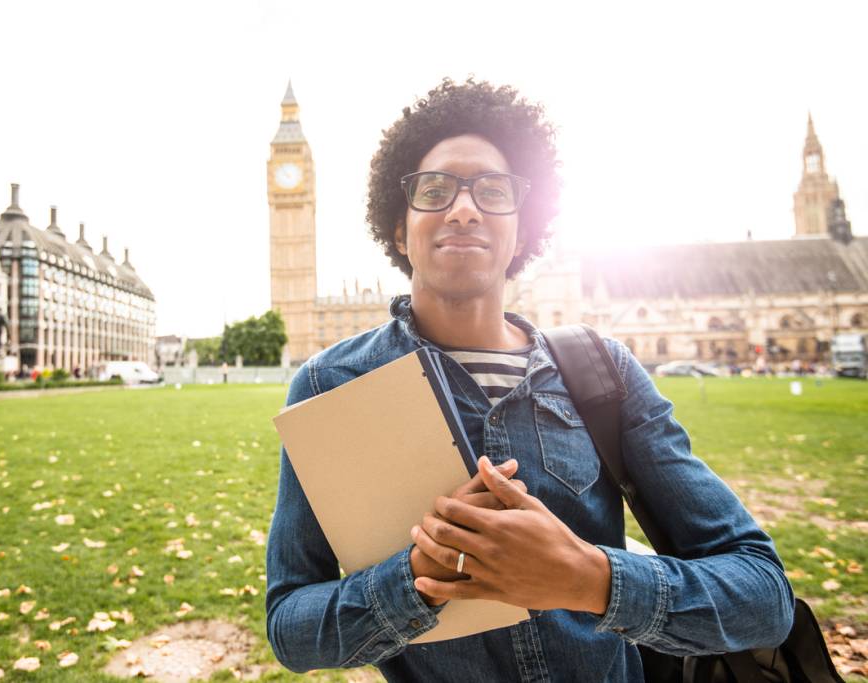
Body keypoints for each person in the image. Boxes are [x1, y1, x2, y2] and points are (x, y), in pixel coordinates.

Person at [265, 79, 794, 682]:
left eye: (493, 192)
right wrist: (416, 577)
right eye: (434, 190)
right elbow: (291, 628)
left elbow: (764, 598)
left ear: (523, 228)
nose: (463, 209)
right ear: (397, 225)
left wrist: (589, 578)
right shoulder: (331, 384)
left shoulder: (604, 374)